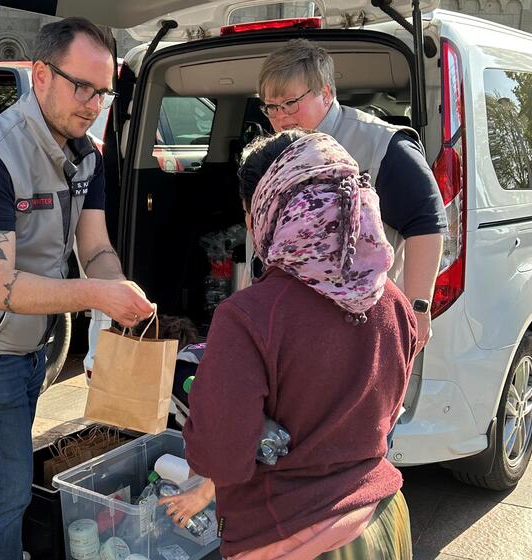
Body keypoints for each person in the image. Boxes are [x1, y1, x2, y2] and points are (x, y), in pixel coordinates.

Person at [0, 17, 155, 560]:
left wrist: (118, 287)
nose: (92, 103)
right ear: (40, 75)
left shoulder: (88, 154)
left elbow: (95, 248)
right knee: (7, 490)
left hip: (33, 341)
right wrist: (98, 297)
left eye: (103, 91)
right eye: (82, 86)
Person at [178, 130, 417, 559]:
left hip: (295, 539)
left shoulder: (248, 316)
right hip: (382, 518)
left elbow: (221, 459)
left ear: (267, 214)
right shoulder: (394, 302)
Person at [258, 40, 446, 354]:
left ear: (327, 92)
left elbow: (426, 223)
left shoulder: (383, 145)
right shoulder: (278, 148)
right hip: (292, 323)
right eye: (271, 107)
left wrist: (418, 309)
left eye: (290, 103)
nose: (279, 117)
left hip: (364, 325)